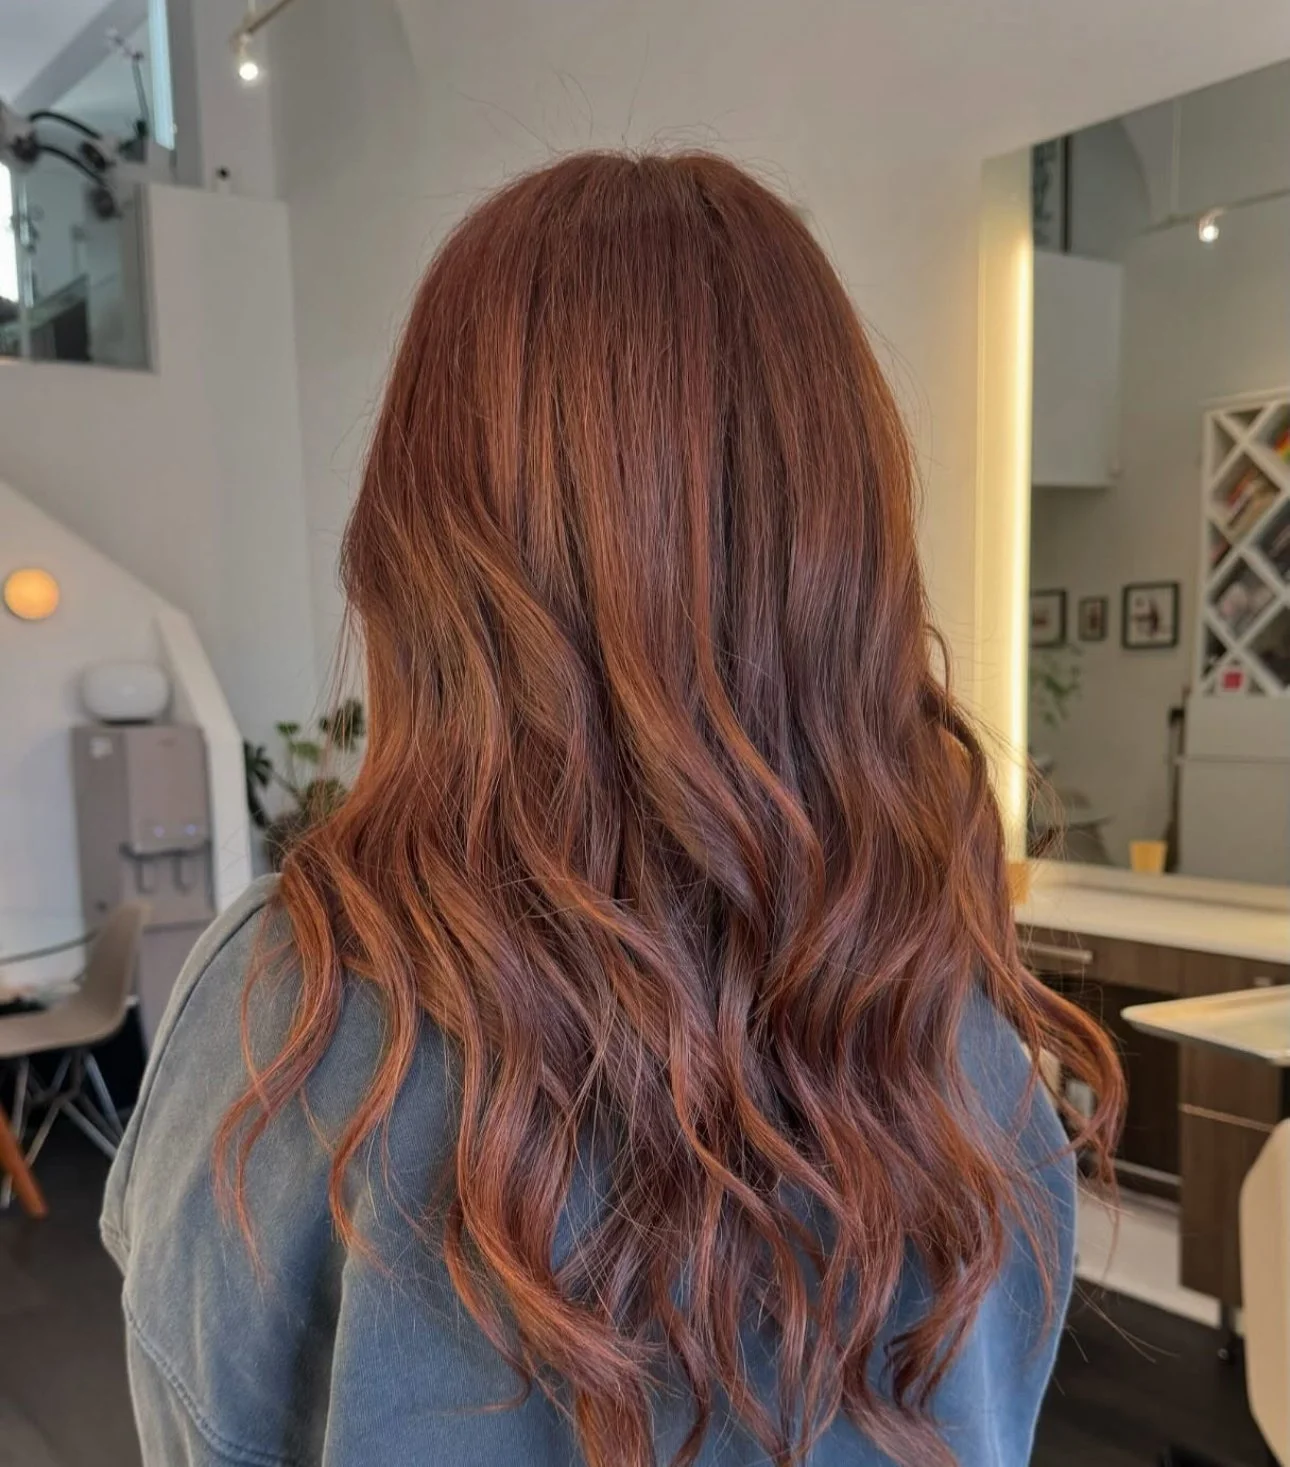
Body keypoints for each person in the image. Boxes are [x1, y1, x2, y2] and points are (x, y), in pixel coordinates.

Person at [102, 152, 1122, 1467]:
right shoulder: (952, 1046)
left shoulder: (280, 1012)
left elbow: (196, 1419)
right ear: (841, 555)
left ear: (417, 547)